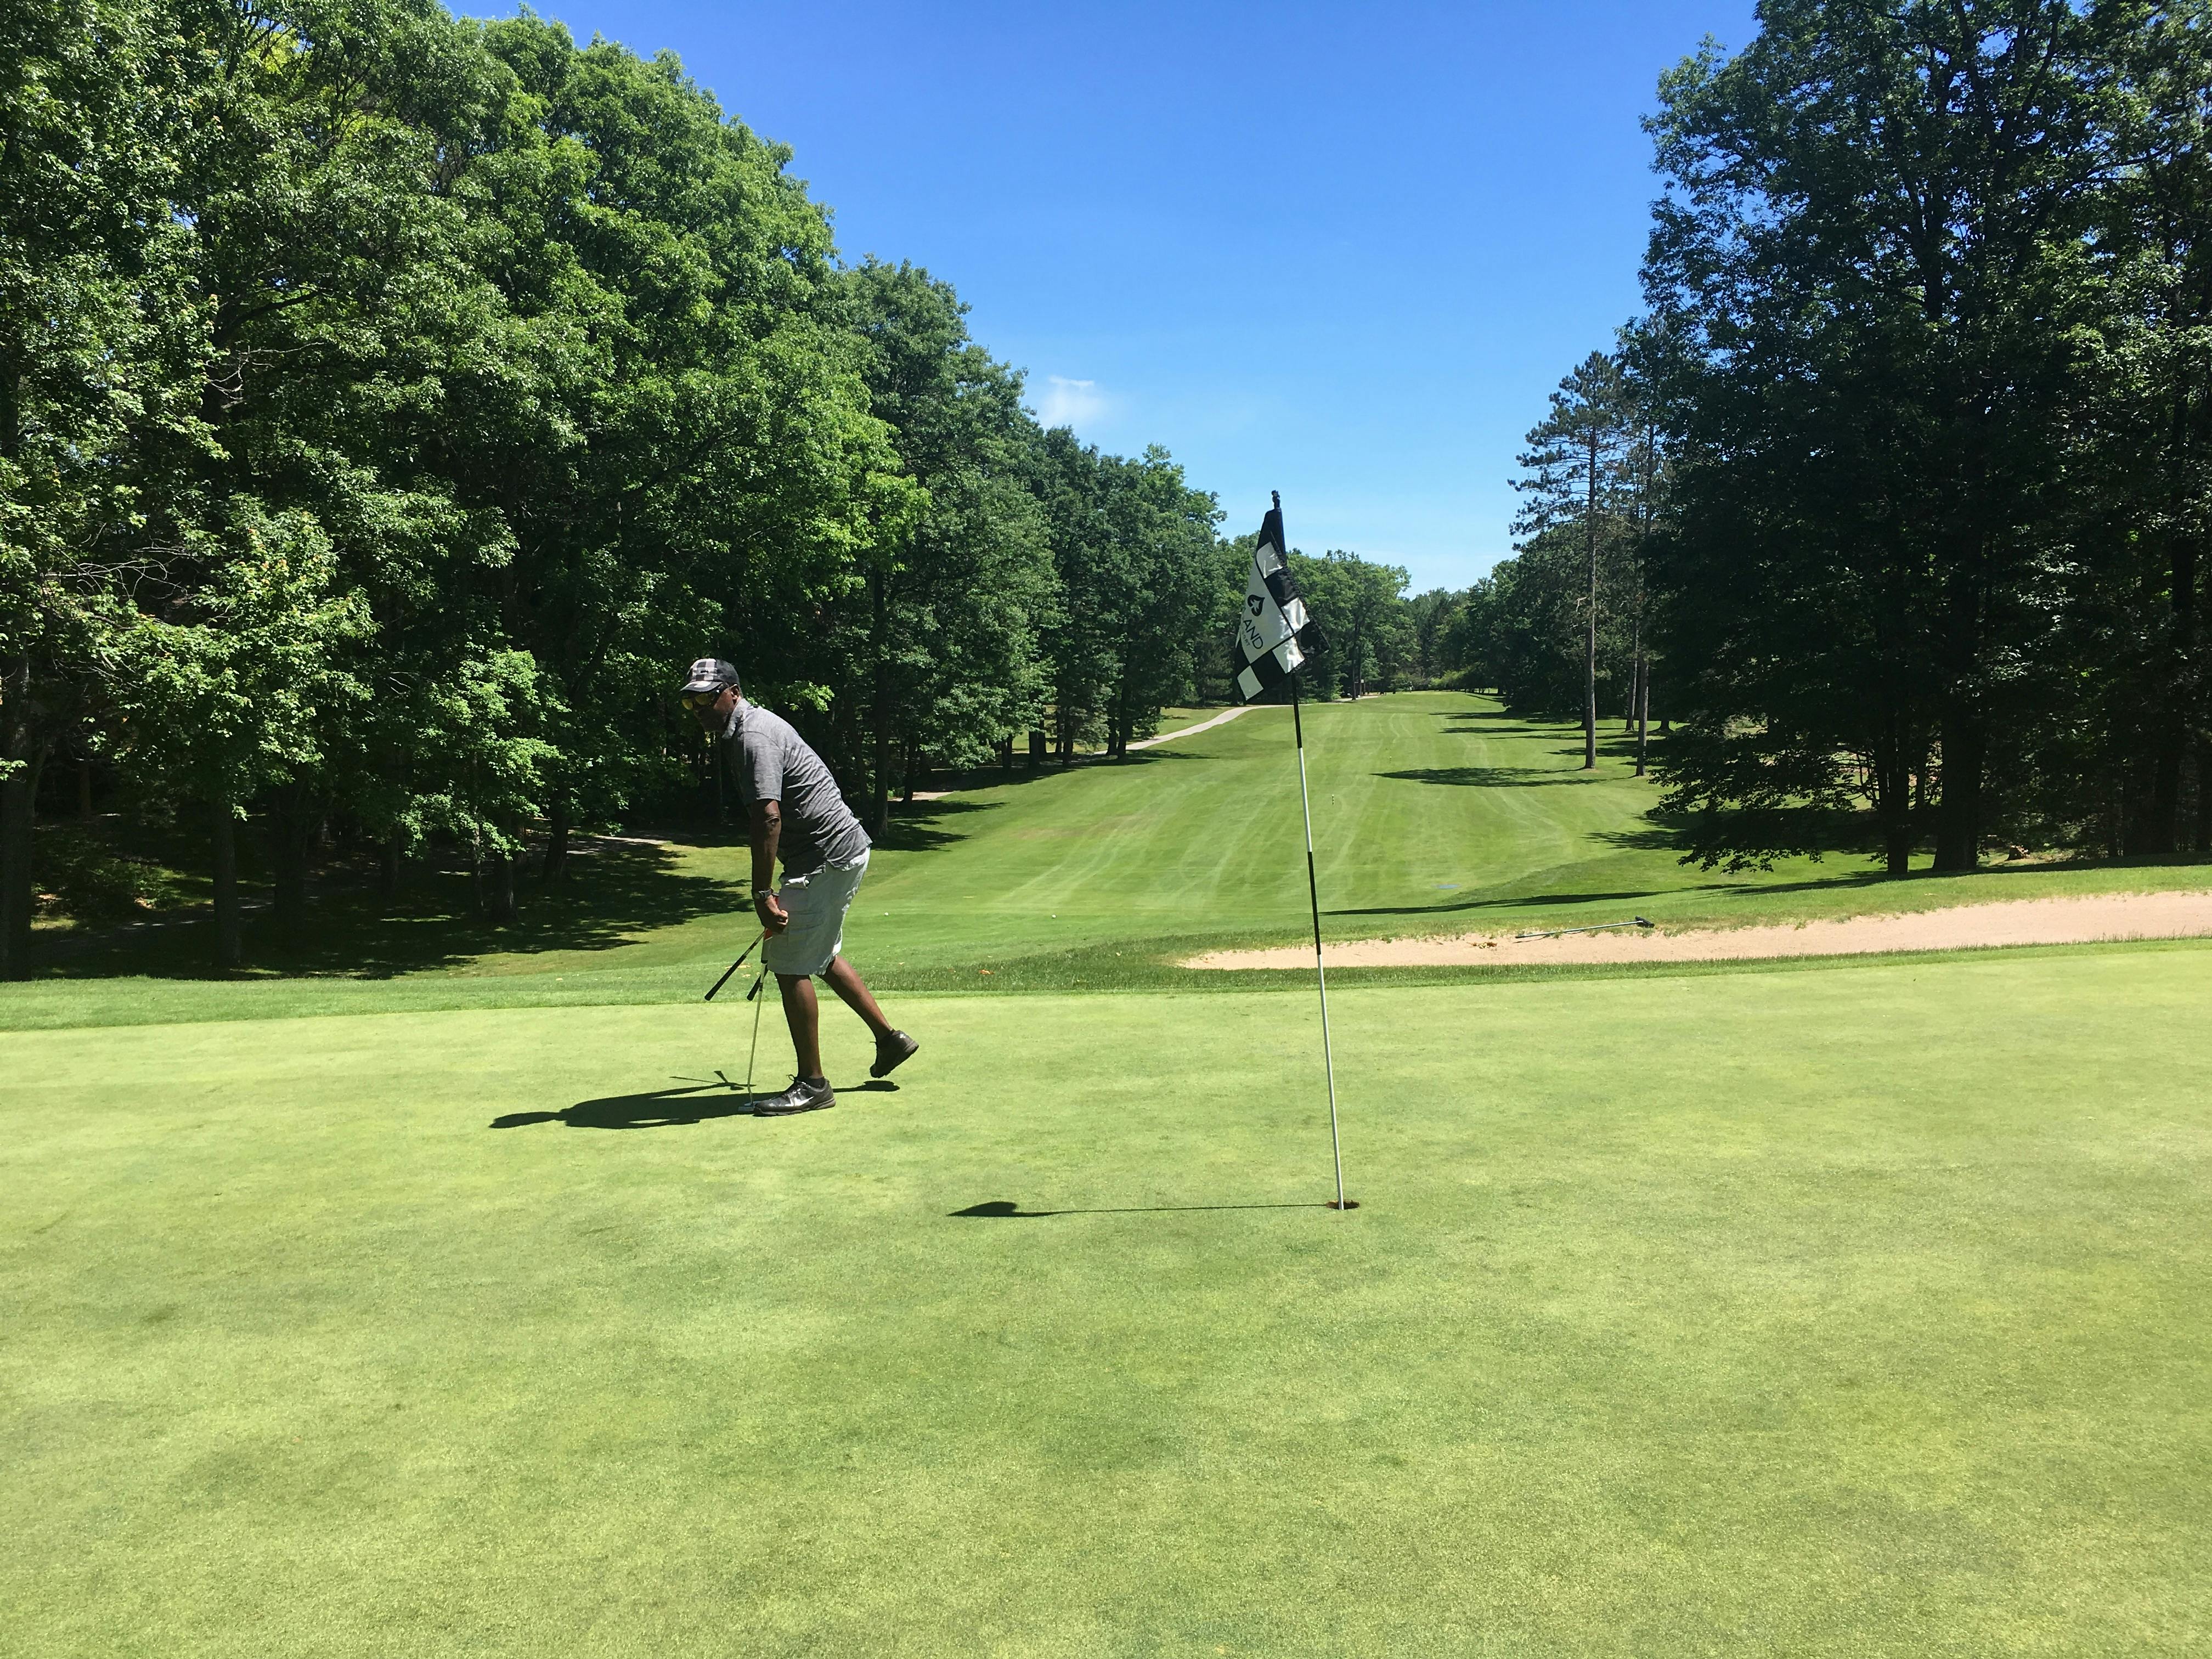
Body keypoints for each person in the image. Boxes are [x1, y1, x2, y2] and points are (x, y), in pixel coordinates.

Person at [680, 657, 917, 1114]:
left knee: (790, 966)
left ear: (732, 692)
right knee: (820, 954)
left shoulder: (753, 736)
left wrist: (762, 893)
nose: (699, 709)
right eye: (691, 702)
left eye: (707, 698)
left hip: (825, 856)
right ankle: (890, 1039)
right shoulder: (744, 729)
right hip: (838, 851)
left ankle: (813, 1085)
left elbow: (768, 817)